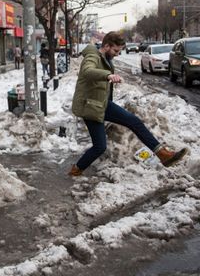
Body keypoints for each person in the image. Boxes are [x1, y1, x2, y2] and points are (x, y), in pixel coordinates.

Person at [68, 32, 188, 176]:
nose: (117, 54)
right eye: (116, 51)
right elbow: (87, 71)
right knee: (100, 146)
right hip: (90, 107)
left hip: (102, 104)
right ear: (106, 46)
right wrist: (107, 75)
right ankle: (76, 170)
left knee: (134, 121)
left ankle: (163, 154)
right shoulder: (93, 57)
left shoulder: (104, 57)